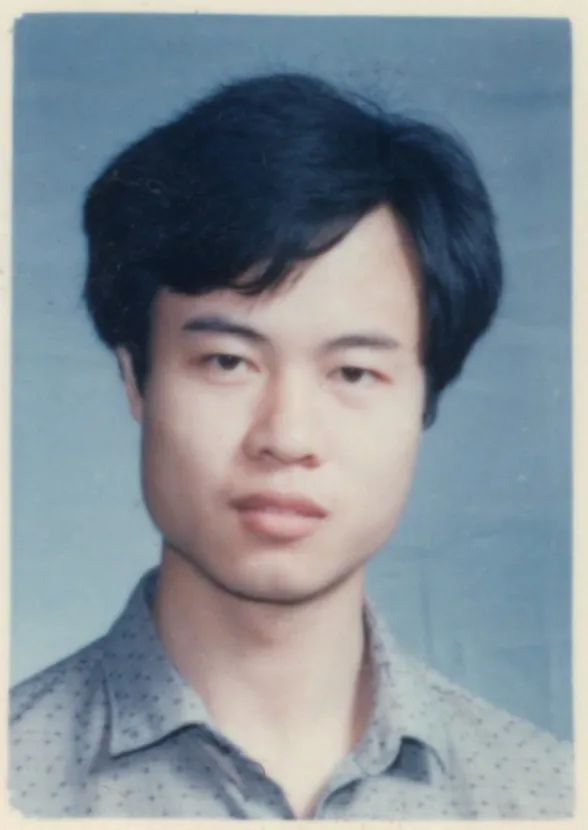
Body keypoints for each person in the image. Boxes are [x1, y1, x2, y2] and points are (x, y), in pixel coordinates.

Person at [9, 72, 572, 819]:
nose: (287, 437)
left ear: (424, 401)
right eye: (227, 362)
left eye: (354, 372)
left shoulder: (545, 797)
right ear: (135, 379)